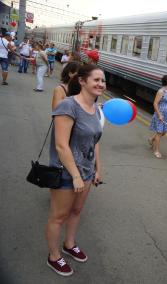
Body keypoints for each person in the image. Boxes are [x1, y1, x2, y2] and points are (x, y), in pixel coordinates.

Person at [46, 64, 105, 276]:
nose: (101, 84)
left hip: (87, 172)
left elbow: (95, 142)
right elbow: (61, 145)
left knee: (77, 211)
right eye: (96, 80)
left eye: (103, 80)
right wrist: (76, 176)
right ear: (82, 81)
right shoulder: (67, 106)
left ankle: (69, 244)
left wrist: (98, 168)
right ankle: (54, 257)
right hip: (66, 172)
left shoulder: (96, 109)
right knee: (58, 216)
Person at [148, 75, 167, 158]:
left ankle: (151, 139)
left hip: (166, 115)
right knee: (159, 133)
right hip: (160, 113)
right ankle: (156, 151)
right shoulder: (161, 91)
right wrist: (159, 114)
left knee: (163, 132)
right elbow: (155, 103)